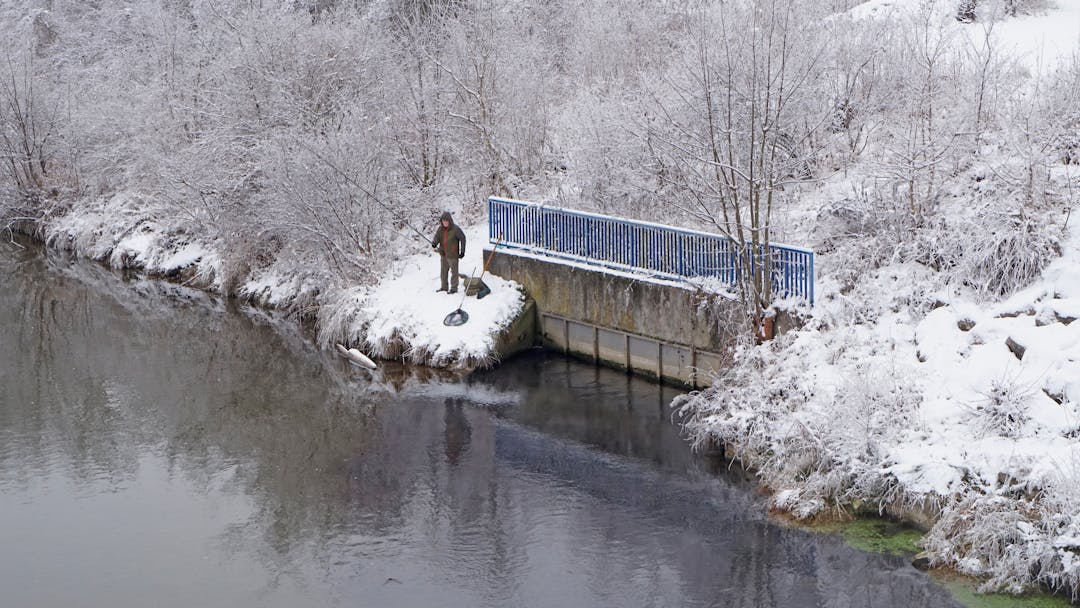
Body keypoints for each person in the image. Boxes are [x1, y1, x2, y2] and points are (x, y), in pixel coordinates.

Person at [431, 211, 466, 293]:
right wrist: (434, 243)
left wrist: (462, 251)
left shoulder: (455, 229)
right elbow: (437, 237)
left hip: (453, 255)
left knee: (454, 273)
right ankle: (444, 287)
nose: (445, 222)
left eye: (446, 221)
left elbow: (463, 238)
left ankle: (454, 288)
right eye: (443, 221)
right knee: (443, 272)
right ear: (441, 221)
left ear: (450, 220)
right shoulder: (440, 229)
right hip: (443, 253)